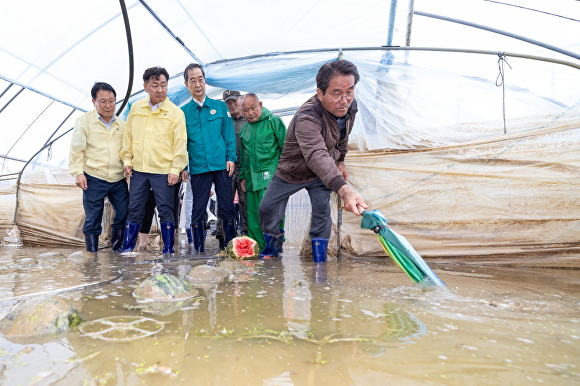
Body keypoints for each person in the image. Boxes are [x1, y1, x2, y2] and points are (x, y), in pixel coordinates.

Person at [258, 60, 368, 262]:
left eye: (350, 92)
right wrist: (345, 190)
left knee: (322, 212)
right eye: (336, 93)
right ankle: (273, 251)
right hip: (292, 171)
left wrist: (340, 162)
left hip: (321, 174)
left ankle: (320, 262)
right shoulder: (307, 117)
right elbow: (316, 154)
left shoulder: (350, 108)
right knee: (267, 208)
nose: (344, 100)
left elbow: (342, 138)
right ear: (320, 93)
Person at [119, 66, 188, 254]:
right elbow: (128, 137)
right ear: (145, 87)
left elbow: (180, 144)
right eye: (155, 85)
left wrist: (175, 169)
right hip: (139, 170)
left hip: (163, 171)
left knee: (166, 210)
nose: (160, 90)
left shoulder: (175, 113)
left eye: (164, 85)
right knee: (134, 209)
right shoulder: (136, 108)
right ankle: (127, 249)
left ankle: (168, 250)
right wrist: (127, 159)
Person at [181, 63, 237, 253]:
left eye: (201, 79)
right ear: (186, 84)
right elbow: (181, 143)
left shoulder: (220, 107)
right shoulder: (183, 112)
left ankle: (229, 248)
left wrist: (231, 157)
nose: (198, 84)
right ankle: (198, 250)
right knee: (197, 211)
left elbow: (229, 135)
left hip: (221, 166)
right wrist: (183, 167)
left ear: (205, 81)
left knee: (227, 208)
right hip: (198, 168)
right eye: (193, 80)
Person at [69, 82, 128, 252]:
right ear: (93, 101)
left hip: (117, 178)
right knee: (93, 217)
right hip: (94, 176)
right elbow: (77, 149)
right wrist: (78, 173)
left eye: (111, 101)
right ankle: (92, 255)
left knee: (124, 212)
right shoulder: (84, 122)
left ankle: (117, 250)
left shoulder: (122, 125)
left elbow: (126, 150)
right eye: (103, 101)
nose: (108, 105)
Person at [239, 93, 286, 249]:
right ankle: (256, 247)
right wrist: (243, 177)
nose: (250, 113)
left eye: (253, 108)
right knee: (252, 214)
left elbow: (286, 149)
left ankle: (274, 248)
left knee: (271, 213)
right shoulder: (245, 129)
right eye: (245, 110)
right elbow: (244, 157)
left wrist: (284, 174)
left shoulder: (274, 122)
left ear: (260, 104)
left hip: (271, 177)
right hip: (252, 178)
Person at [223, 89, 248, 236]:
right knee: (225, 203)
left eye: (234, 101)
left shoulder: (250, 119)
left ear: (240, 99)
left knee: (246, 203)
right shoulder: (225, 122)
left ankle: (248, 234)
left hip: (245, 167)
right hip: (228, 167)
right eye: (228, 103)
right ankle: (225, 237)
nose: (232, 105)